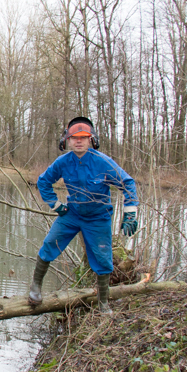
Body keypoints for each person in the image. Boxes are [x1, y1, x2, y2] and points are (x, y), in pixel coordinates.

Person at [27, 117, 138, 313]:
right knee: (49, 244)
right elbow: (43, 181)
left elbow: (127, 183)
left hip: (98, 217)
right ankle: (35, 287)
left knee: (103, 259)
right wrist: (56, 204)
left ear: (91, 140)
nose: (79, 141)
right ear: (67, 141)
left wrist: (130, 213)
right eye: (74, 138)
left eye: (83, 138)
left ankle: (103, 303)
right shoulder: (63, 162)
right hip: (72, 214)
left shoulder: (103, 162)